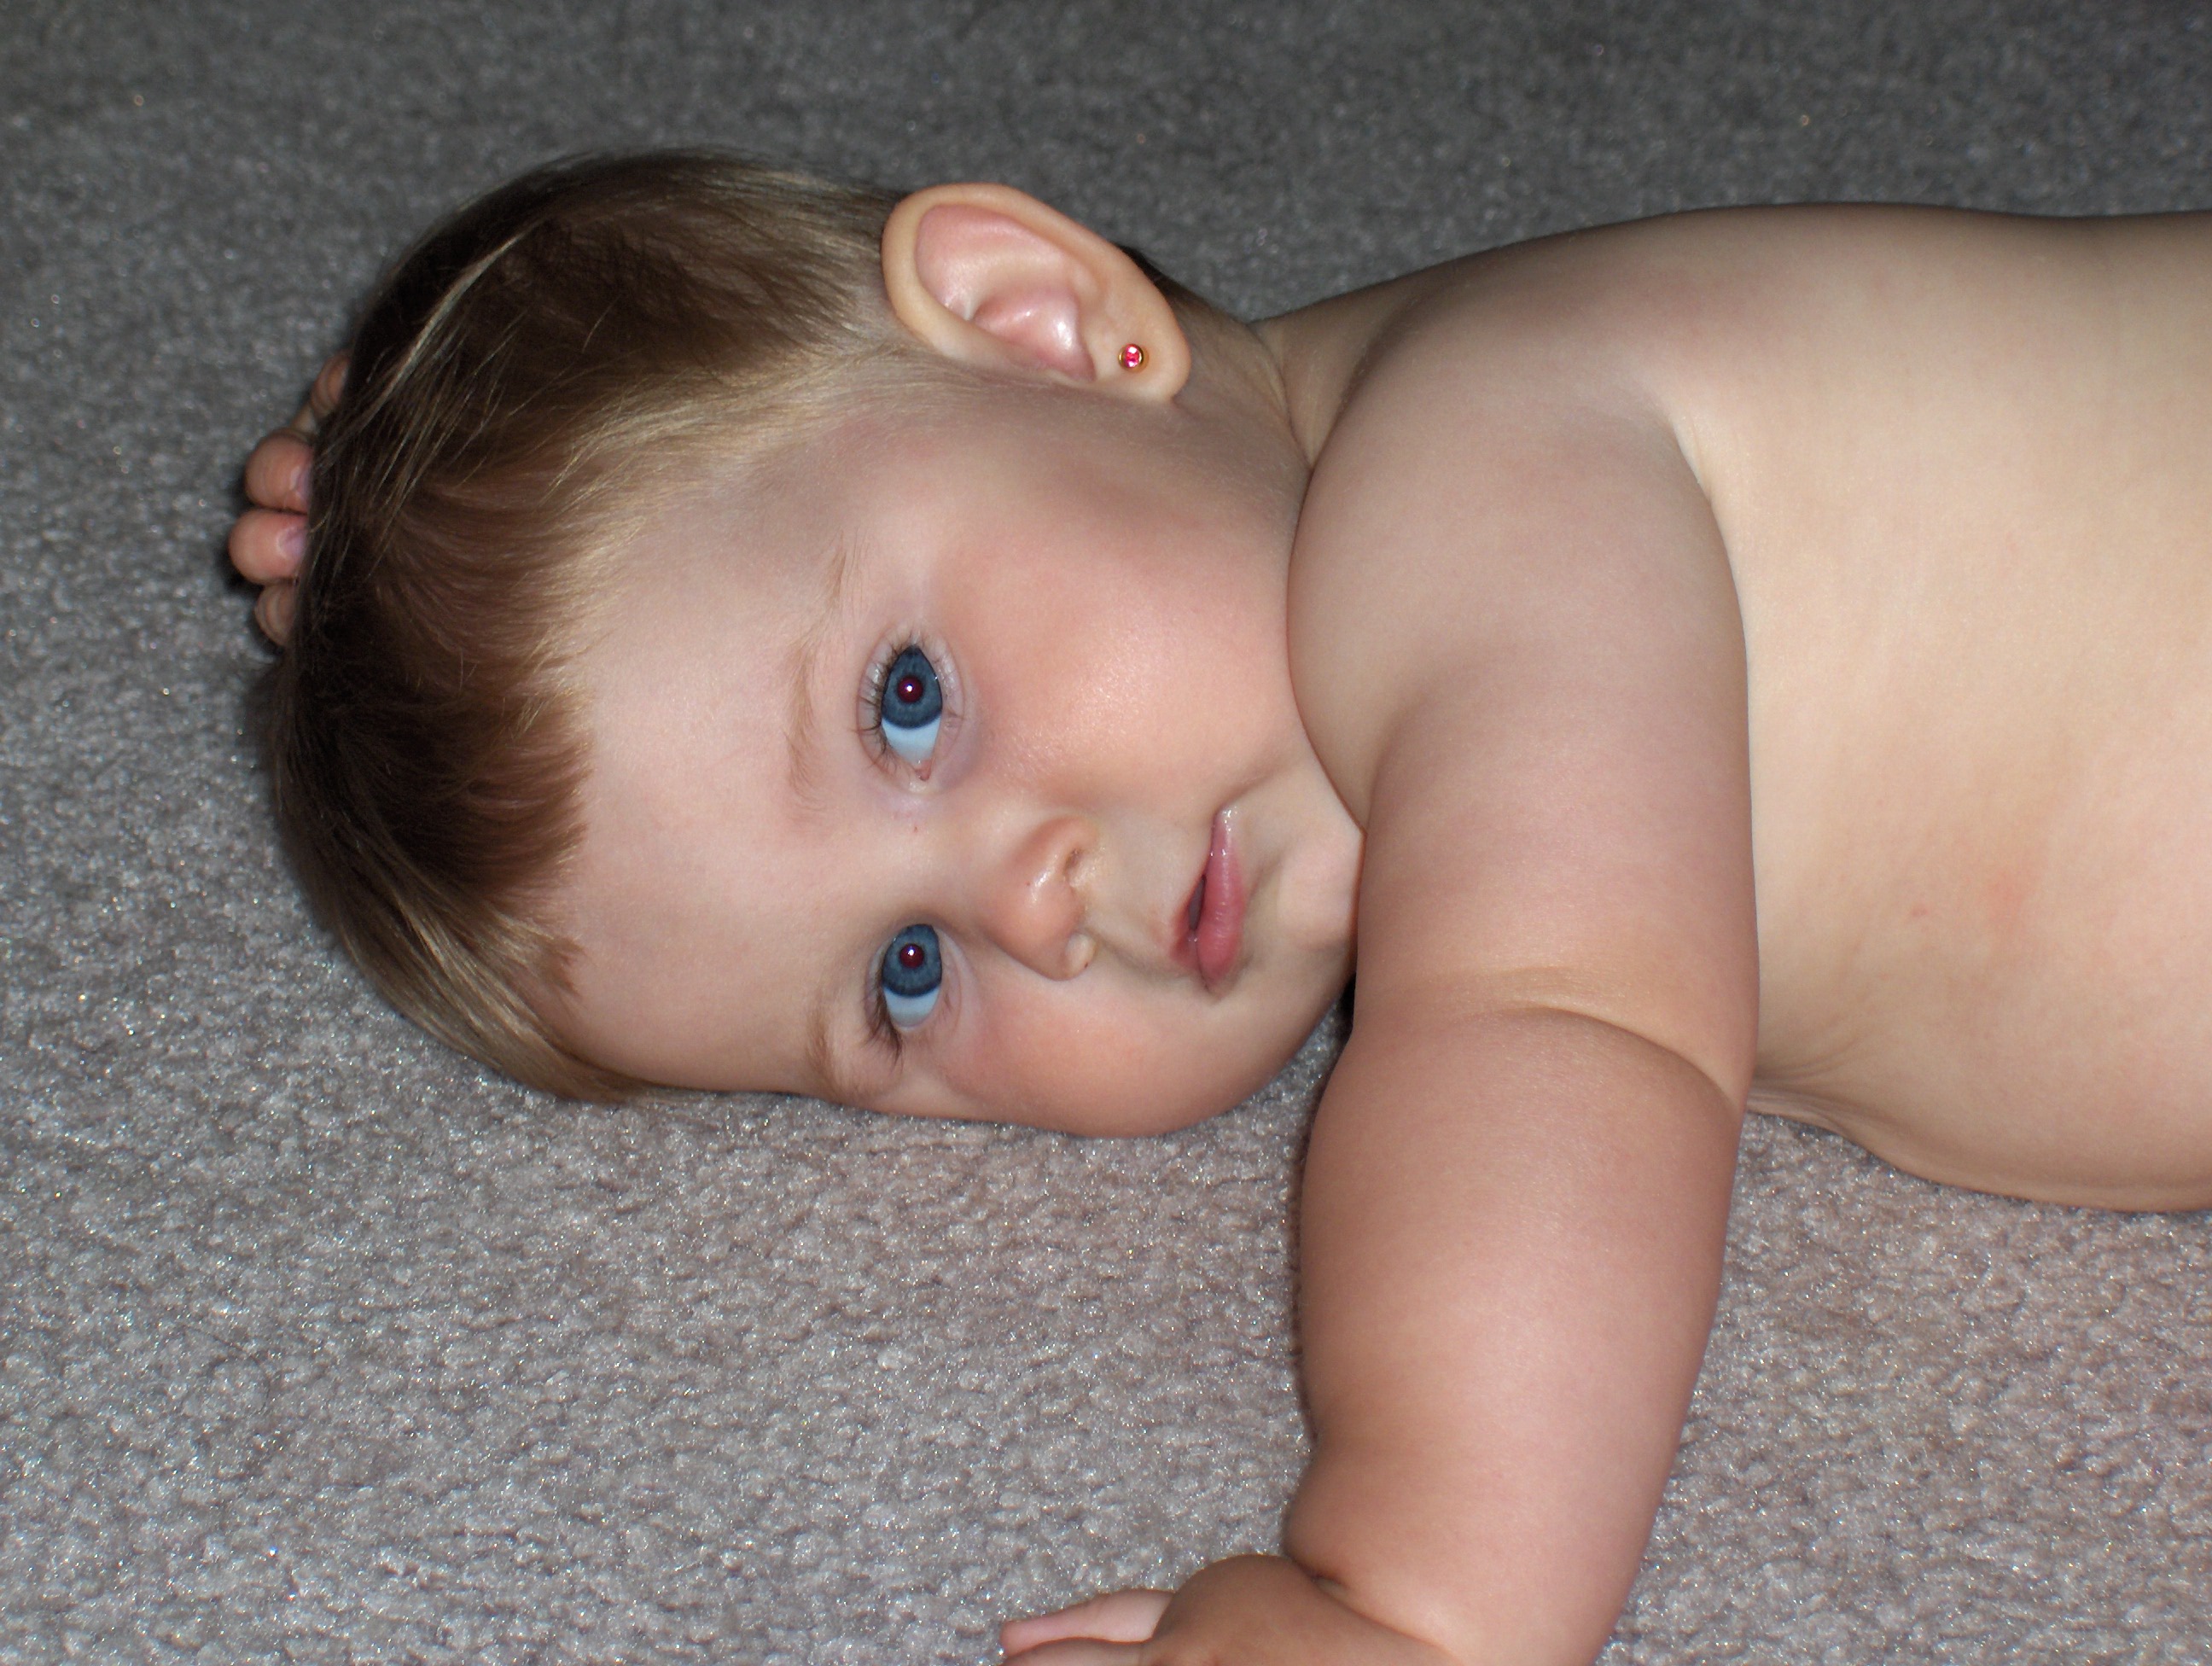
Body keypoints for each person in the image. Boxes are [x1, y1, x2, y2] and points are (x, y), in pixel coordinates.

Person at [229, 151, 2212, 1664]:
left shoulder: (1478, 462)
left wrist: (1411, 1601)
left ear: (1042, 323)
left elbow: (1559, 1022)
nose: (1031, 906)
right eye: (903, 978)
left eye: (909, 703)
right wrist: (411, 534)